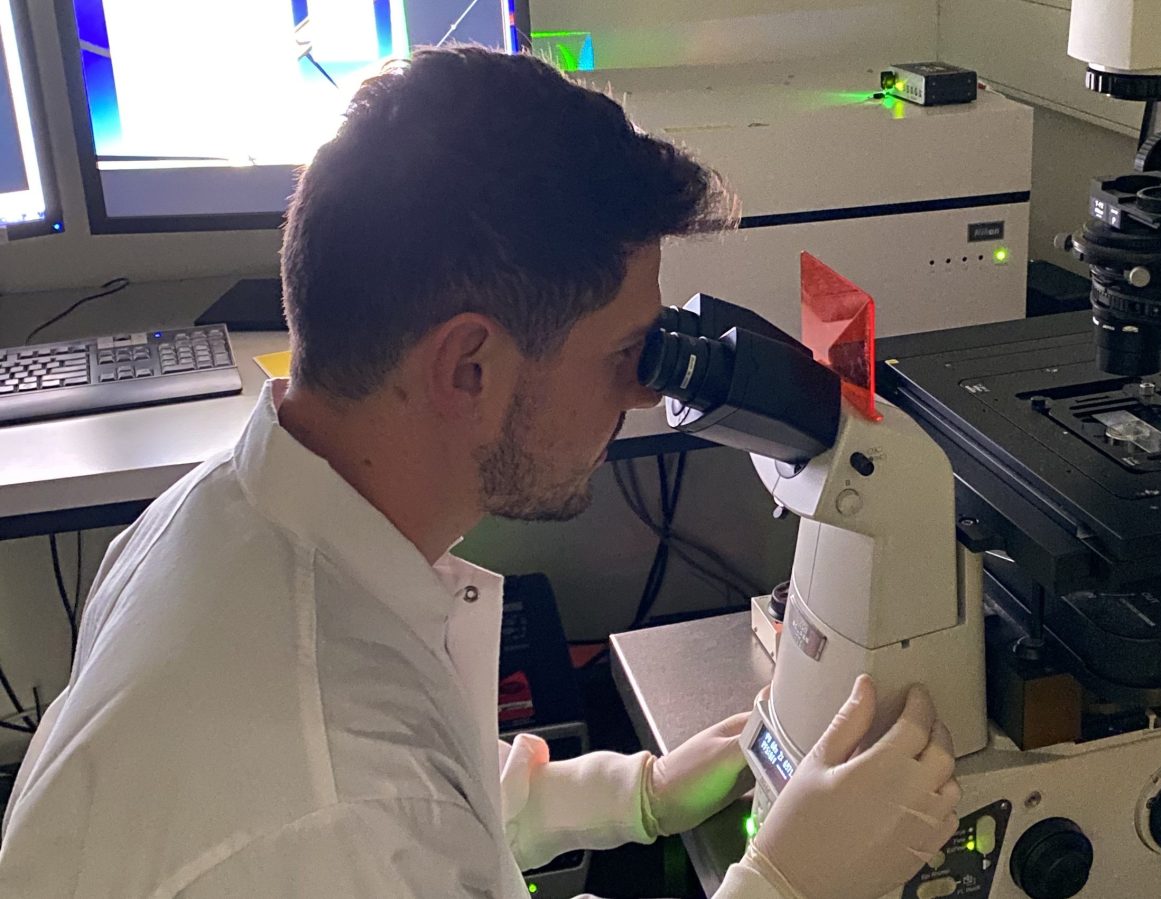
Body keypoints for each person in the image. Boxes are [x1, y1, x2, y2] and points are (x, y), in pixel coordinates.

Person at [0, 47, 961, 899]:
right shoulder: (335, 812)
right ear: (469, 367)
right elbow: (370, 815)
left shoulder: (216, 518)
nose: (638, 397)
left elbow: (420, 787)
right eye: (625, 353)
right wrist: (793, 883)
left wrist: (630, 796)